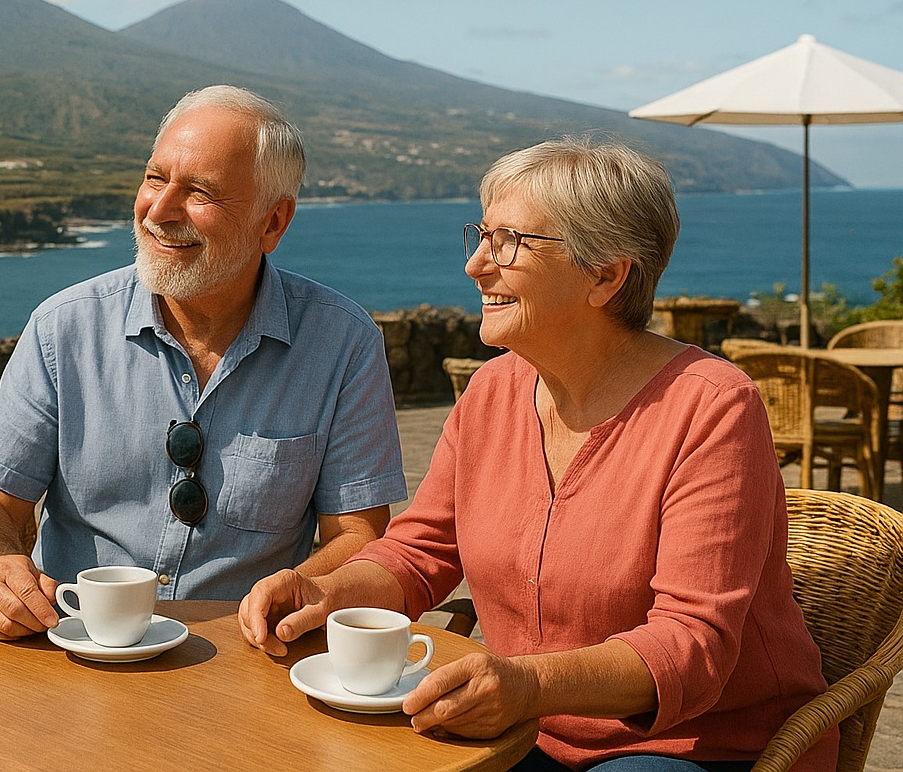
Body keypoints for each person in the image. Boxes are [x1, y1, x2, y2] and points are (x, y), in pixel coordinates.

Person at [240, 138, 837, 772]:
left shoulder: (712, 407)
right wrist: (325, 591)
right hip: (518, 734)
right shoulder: (494, 390)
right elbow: (420, 552)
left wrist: (529, 687)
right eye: (481, 235)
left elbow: (692, 645)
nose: (475, 265)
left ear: (606, 275)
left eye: (509, 242)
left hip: (704, 747)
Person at [0, 84, 406, 640]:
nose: (160, 211)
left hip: (244, 661)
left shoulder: (342, 344)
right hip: (76, 653)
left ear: (273, 222)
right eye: (155, 178)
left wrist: (296, 590)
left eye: (200, 192)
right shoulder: (62, 328)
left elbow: (358, 533)